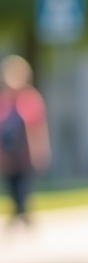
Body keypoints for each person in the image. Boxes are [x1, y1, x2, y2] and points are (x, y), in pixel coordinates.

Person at [0, 55, 51, 227]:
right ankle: (19, 212)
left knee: (24, 184)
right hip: (8, 153)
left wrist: (41, 150)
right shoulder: (4, 100)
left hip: (25, 153)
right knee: (12, 185)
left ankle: (22, 212)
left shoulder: (30, 99)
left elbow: (38, 127)